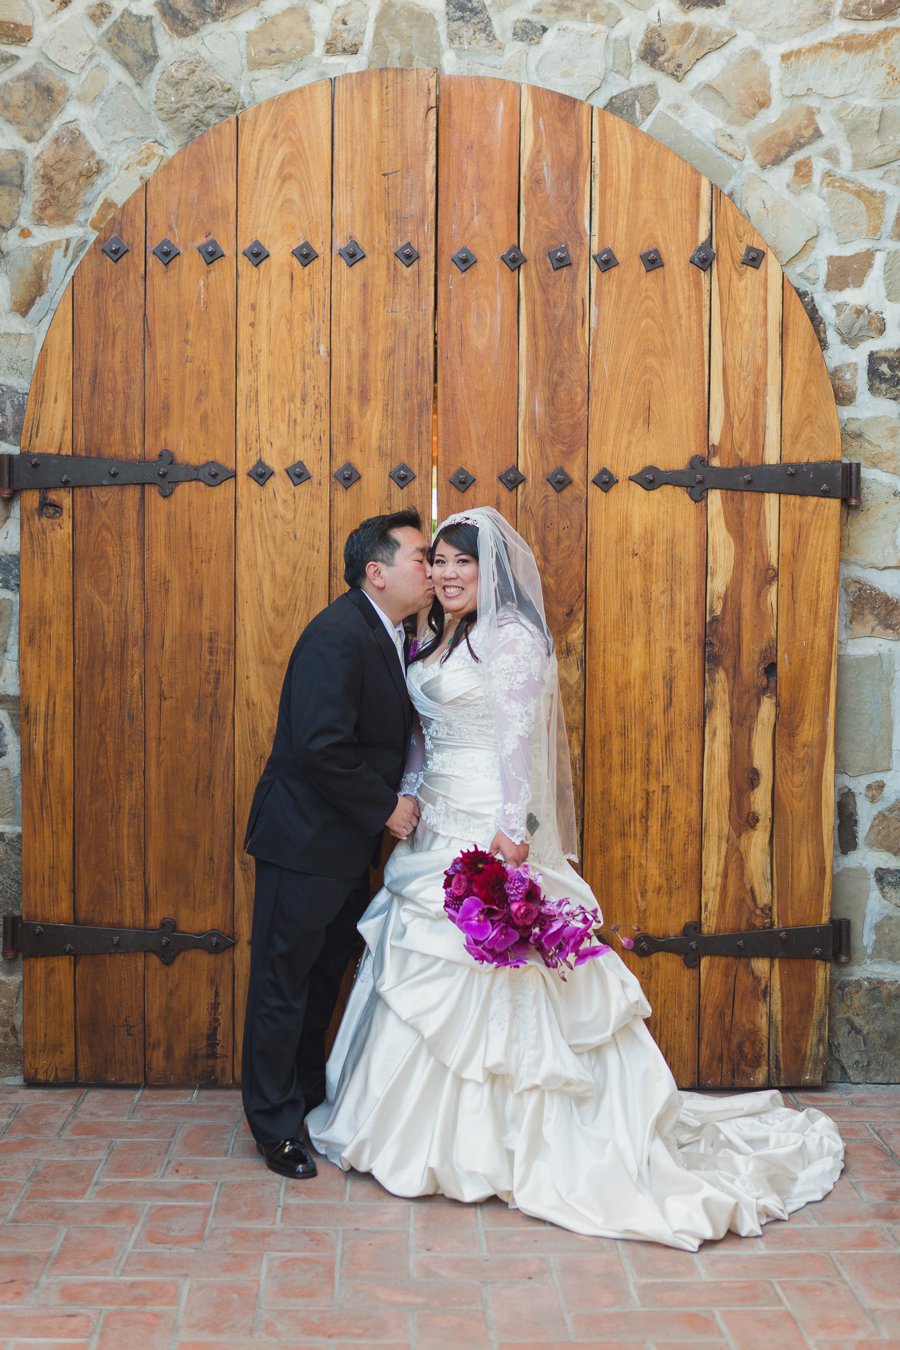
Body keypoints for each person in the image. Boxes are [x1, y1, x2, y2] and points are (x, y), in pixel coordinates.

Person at [307, 506, 844, 1249]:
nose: (449, 574)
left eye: (465, 563)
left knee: (503, 975)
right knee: (424, 976)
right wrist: (407, 800)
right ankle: (415, 1136)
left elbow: (518, 744)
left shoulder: (513, 639)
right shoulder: (428, 637)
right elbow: (422, 740)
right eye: (440, 562)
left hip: (492, 826)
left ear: (491, 572)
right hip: (432, 824)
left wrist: (512, 830)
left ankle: (516, 1143)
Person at [242, 509, 433, 1179]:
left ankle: (305, 1095)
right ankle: (273, 1126)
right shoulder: (337, 635)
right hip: (305, 842)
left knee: (322, 977)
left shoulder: (387, 633)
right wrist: (387, 808)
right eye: (419, 556)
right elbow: (321, 745)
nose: (431, 567)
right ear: (375, 573)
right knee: (283, 982)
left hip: (343, 846)